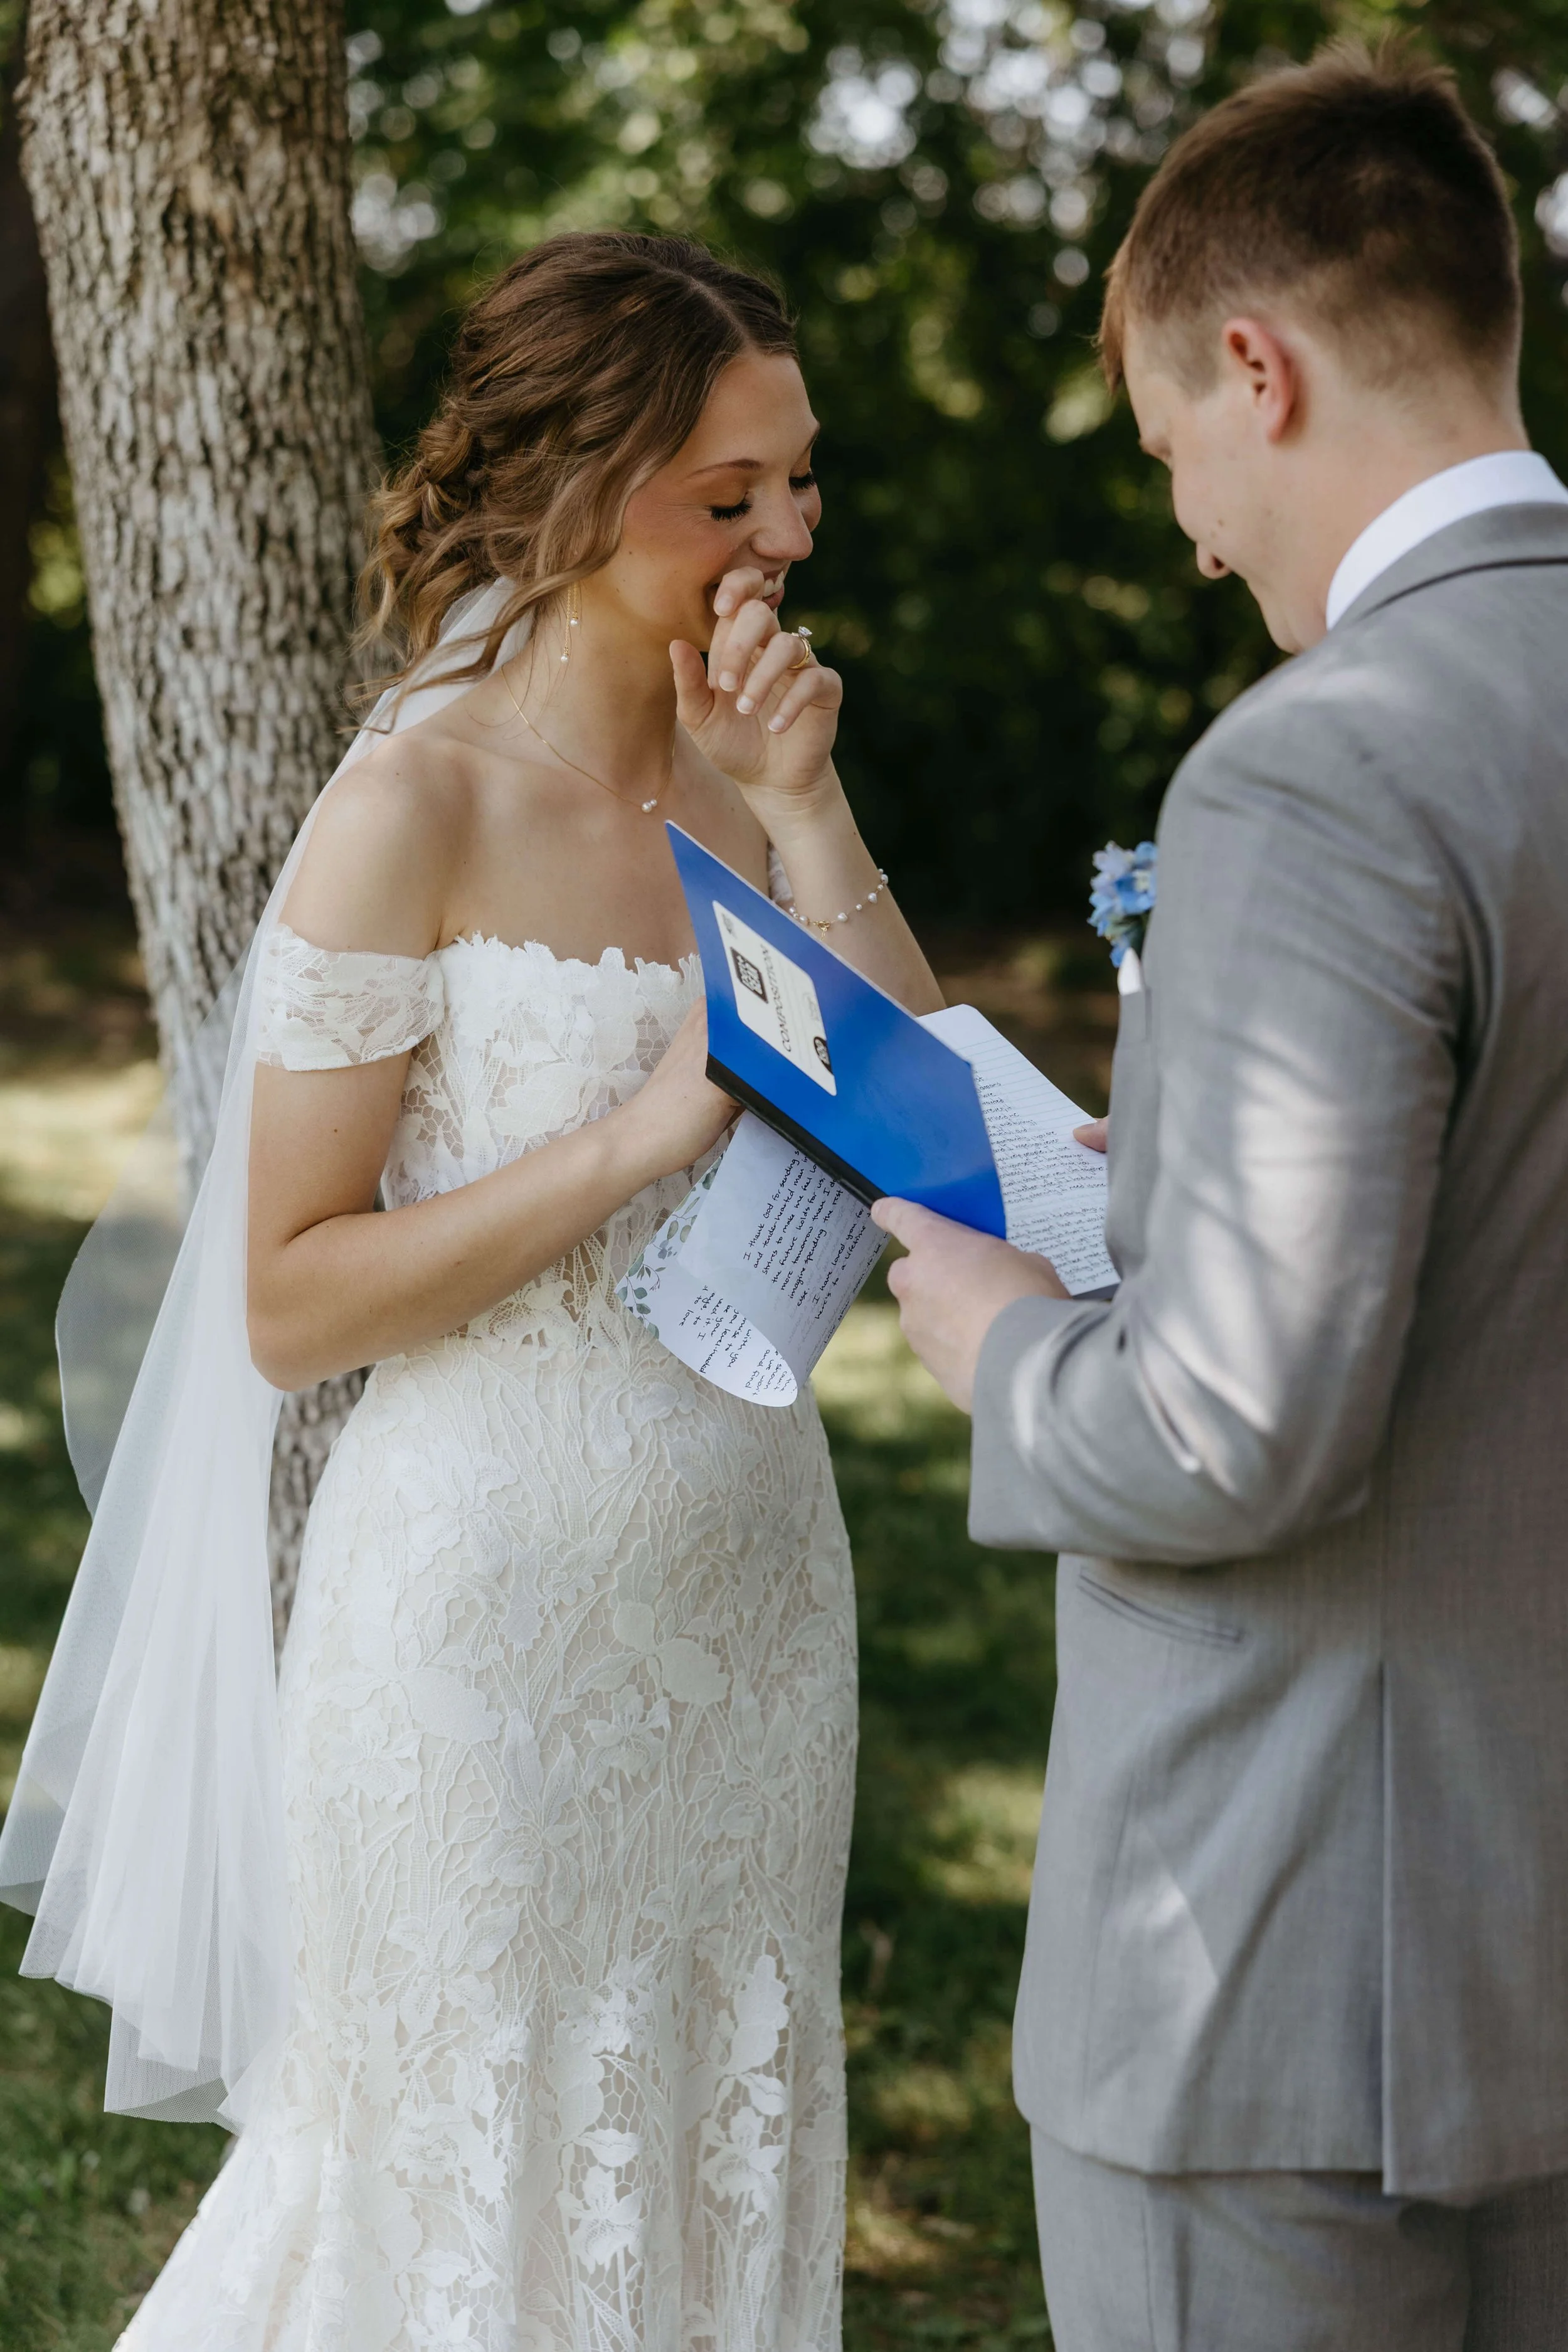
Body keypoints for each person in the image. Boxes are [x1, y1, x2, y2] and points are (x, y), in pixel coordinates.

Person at [8, 232, 943, 2349]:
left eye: (801, 479)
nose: (787, 532)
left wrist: (803, 808)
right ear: (577, 482)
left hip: (753, 1628)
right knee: (454, 2191)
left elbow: (921, 1138)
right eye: (732, 493)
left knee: (710, 2146)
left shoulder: (743, 776)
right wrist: (627, 1142)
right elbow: (287, 1297)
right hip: (475, 1657)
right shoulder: (409, 797)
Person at [876, 41, 1568, 2349]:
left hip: (1291, 1965)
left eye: (1176, 451)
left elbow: (1231, 1426)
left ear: (1252, 369)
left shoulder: (1318, 769)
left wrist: (996, 1340)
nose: (1189, 526)